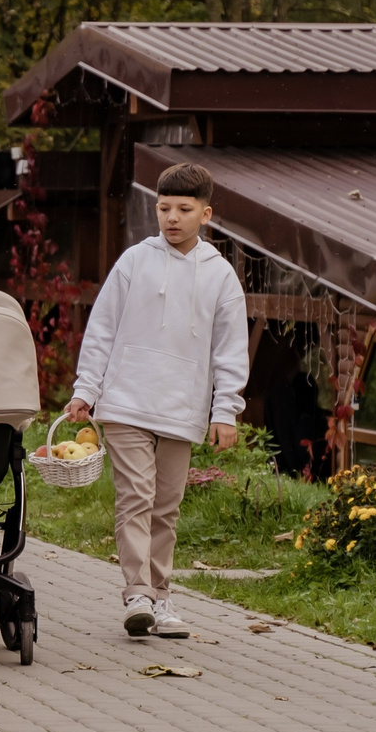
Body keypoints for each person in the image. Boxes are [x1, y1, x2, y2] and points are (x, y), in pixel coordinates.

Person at [66, 161, 249, 638]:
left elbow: (230, 348)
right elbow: (102, 328)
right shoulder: (134, 261)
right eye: (164, 208)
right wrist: (87, 389)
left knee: (166, 506)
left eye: (184, 210)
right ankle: (138, 594)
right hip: (125, 402)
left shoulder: (220, 275)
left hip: (182, 408)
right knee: (136, 498)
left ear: (205, 213)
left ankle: (162, 598)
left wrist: (225, 409)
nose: (171, 218)